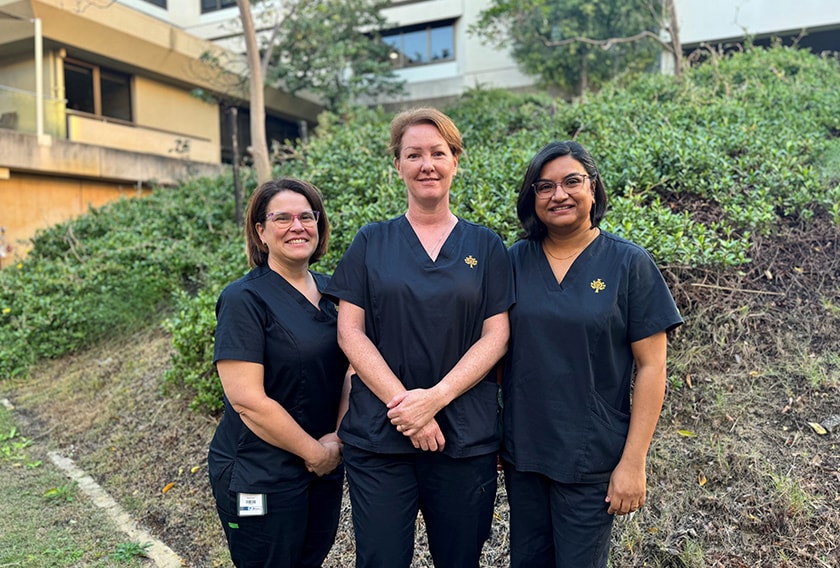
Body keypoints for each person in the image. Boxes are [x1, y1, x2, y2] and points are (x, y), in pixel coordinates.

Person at [326, 107, 514, 568]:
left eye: (438, 152)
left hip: (463, 438)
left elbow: (497, 335)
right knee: (381, 559)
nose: (427, 164)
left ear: (455, 160)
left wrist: (435, 400)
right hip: (379, 437)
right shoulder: (371, 241)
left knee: (460, 558)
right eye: (414, 154)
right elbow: (349, 332)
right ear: (398, 166)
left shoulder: (486, 246)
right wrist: (406, 407)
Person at [501, 141, 684, 567]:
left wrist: (633, 462)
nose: (558, 194)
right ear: (532, 197)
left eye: (571, 182)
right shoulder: (513, 261)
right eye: (543, 186)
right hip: (524, 452)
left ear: (594, 188)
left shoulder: (628, 264)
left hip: (591, 454)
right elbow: (493, 350)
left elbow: (653, 366)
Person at [208, 177, 351, 567]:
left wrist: (336, 439)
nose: (297, 226)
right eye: (282, 218)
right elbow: (247, 401)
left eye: (307, 216)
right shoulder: (244, 299)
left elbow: (351, 371)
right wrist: (315, 453)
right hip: (261, 471)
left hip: (324, 462)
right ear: (261, 230)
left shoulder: (335, 293)